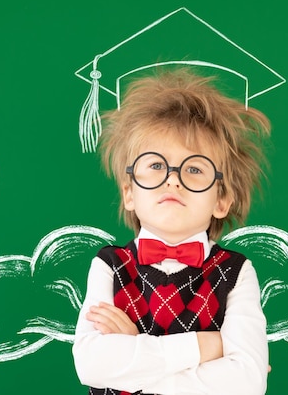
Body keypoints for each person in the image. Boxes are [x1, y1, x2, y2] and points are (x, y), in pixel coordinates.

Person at [72, 68, 271, 395]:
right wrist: (206, 347)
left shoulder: (236, 272)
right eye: (155, 165)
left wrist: (135, 350)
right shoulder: (109, 265)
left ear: (221, 199)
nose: (173, 180)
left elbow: (247, 383)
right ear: (129, 192)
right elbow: (91, 364)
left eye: (194, 169)